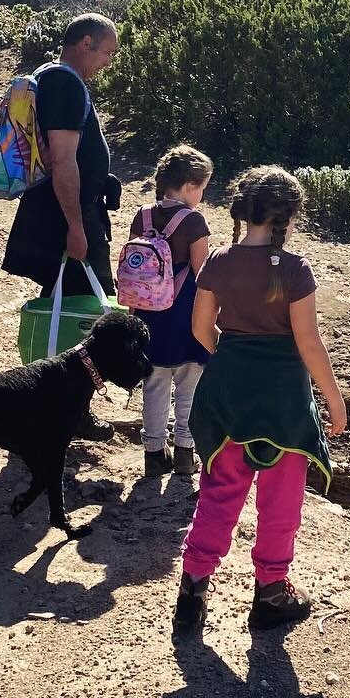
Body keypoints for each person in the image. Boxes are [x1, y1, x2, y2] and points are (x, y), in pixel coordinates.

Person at [172, 166, 347, 635]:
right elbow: (308, 342)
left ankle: (192, 590)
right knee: (281, 500)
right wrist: (334, 399)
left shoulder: (220, 262)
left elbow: (199, 329)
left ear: (243, 210)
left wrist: (228, 357)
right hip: (284, 402)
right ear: (289, 217)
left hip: (227, 394)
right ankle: (271, 591)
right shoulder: (295, 270)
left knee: (219, 493)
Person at [1, 13, 121, 437]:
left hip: (48, 211)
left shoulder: (45, 76)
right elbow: (64, 161)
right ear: (85, 42)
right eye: (106, 51)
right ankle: (64, 409)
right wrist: (77, 228)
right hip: (65, 217)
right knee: (84, 314)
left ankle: (52, 402)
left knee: (65, 305)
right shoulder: (66, 83)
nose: (108, 61)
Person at [131, 145, 214, 480]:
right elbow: (203, 275)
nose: (202, 196)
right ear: (190, 186)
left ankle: (154, 454)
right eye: (203, 188)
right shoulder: (194, 222)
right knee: (189, 382)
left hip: (149, 315)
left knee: (154, 384)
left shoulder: (143, 216)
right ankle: (184, 451)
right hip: (186, 314)